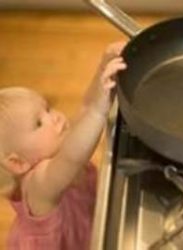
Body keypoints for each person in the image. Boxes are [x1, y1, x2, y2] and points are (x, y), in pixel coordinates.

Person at [0, 41, 127, 250]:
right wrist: (100, 110)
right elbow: (73, 158)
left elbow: (86, 107)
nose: (55, 118)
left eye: (47, 109)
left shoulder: (58, 146)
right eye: (39, 123)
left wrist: (104, 66)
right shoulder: (37, 185)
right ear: (17, 162)